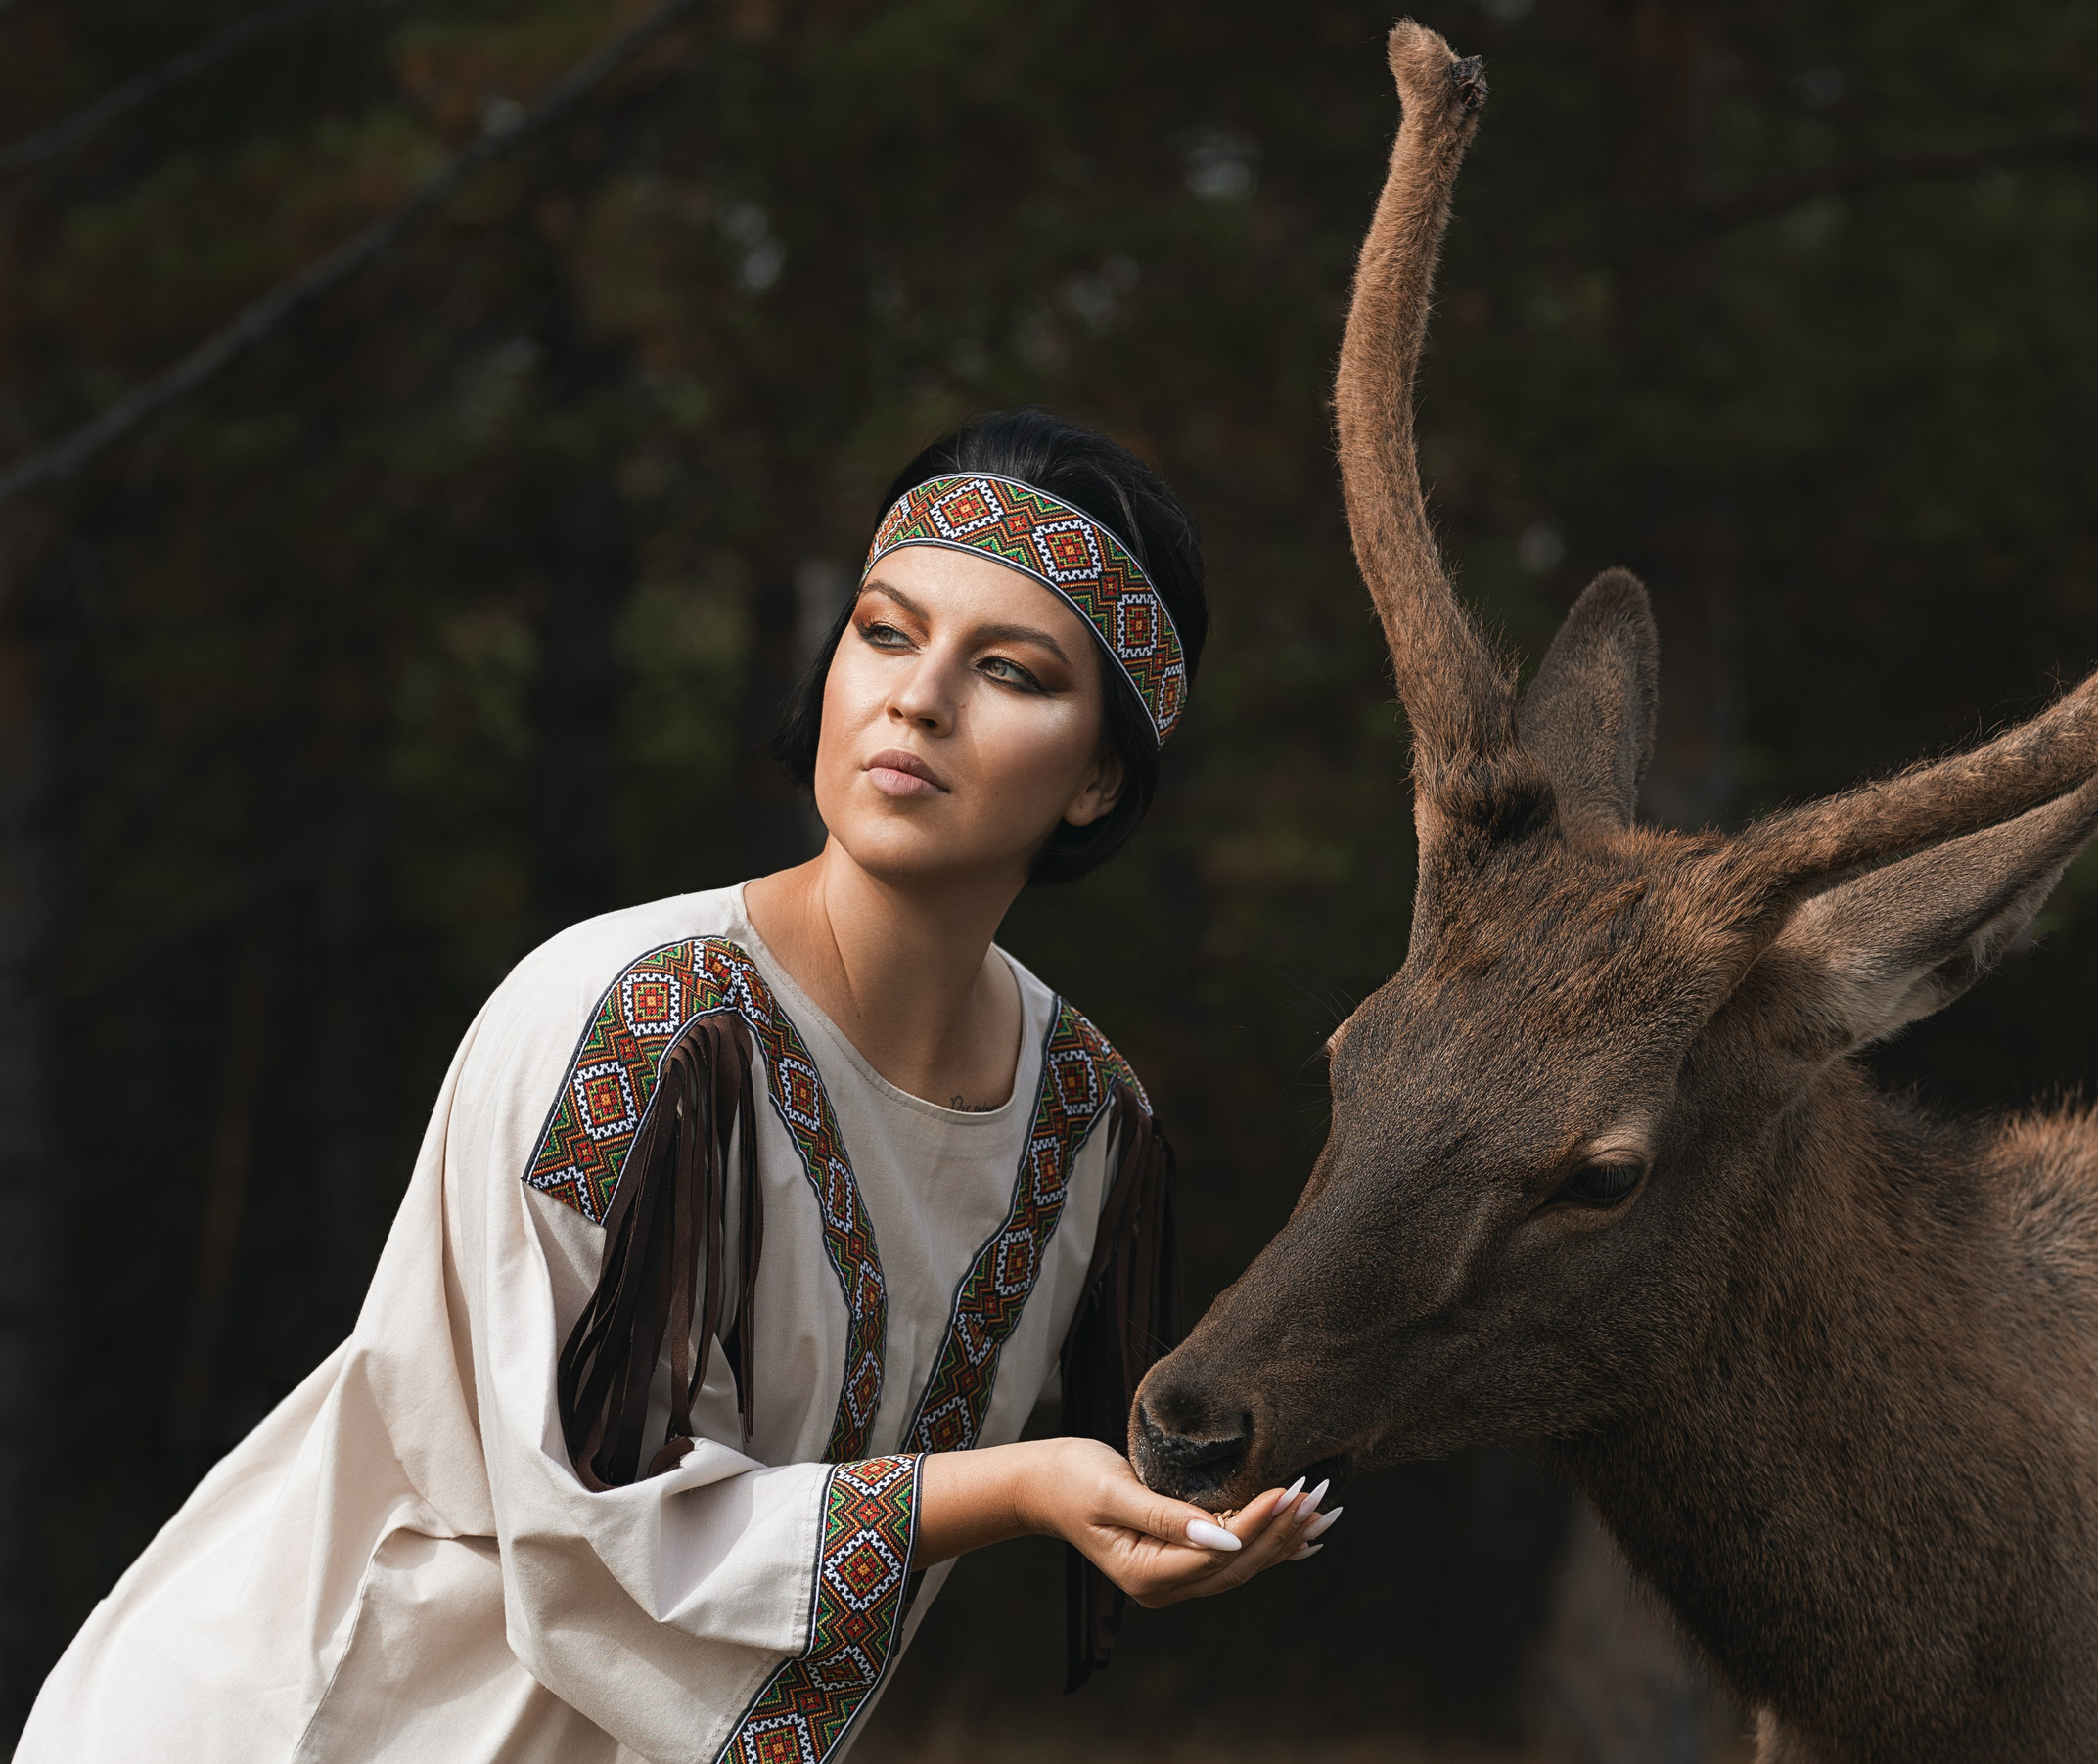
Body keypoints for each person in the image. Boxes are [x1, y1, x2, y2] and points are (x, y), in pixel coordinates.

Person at [18, 410, 1338, 1764]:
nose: (918, 698)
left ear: (1100, 775)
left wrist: (1159, 1517)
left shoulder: (1084, 1127)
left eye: (1009, 671)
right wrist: (1024, 1485)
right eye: (884, 632)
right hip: (326, 1723)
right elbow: (600, 1524)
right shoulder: (638, 1022)